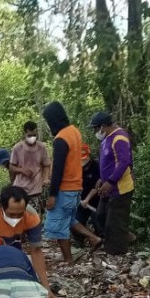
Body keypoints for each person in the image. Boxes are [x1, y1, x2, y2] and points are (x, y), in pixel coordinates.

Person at [42, 102, 101, 264]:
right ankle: (93, 237)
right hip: (76, 186)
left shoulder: (61, 138)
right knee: (68, 220)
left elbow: (59, 169)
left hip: (64, 188)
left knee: (59, 226)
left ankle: (68, 259)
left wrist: (52, 195)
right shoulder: (74, 131)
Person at [90, 110, 135, 255]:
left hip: (120, 187)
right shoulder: (107, 138)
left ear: (104, 126)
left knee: (115, 222)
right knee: (100, 216)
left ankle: (117, 252)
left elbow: (124, 162)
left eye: (97, 128)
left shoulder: (119, 138)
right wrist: (101, 178)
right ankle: (124, 237)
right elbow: (108, 162)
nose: (96, 131)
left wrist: (110, 181)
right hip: (108, 186)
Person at [9, 120, 49, 213]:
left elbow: (46, 165)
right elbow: (11, 167)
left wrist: (46, 178)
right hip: (20, 189)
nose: (32, 138)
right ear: (25, 134)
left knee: (34, 217)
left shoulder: (41, 147)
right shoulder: (18, 148)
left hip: (35, 190)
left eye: (34, 135)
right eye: (30, 135)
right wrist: (22, 170)